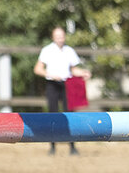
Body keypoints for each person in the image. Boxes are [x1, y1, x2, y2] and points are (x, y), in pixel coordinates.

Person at [34, 26, 92, 155]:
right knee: (53, 115)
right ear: (53, 37)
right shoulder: (47, 50)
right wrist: (50, 74)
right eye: (57, 36)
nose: (60, 39)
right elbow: (38, 69)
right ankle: (52, 146)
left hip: (66, 84)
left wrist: (83, 72)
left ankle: (72, 146)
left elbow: (73, 70)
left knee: (69, 115)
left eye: (62, 36)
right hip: (52, 84)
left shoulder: (69, 51)